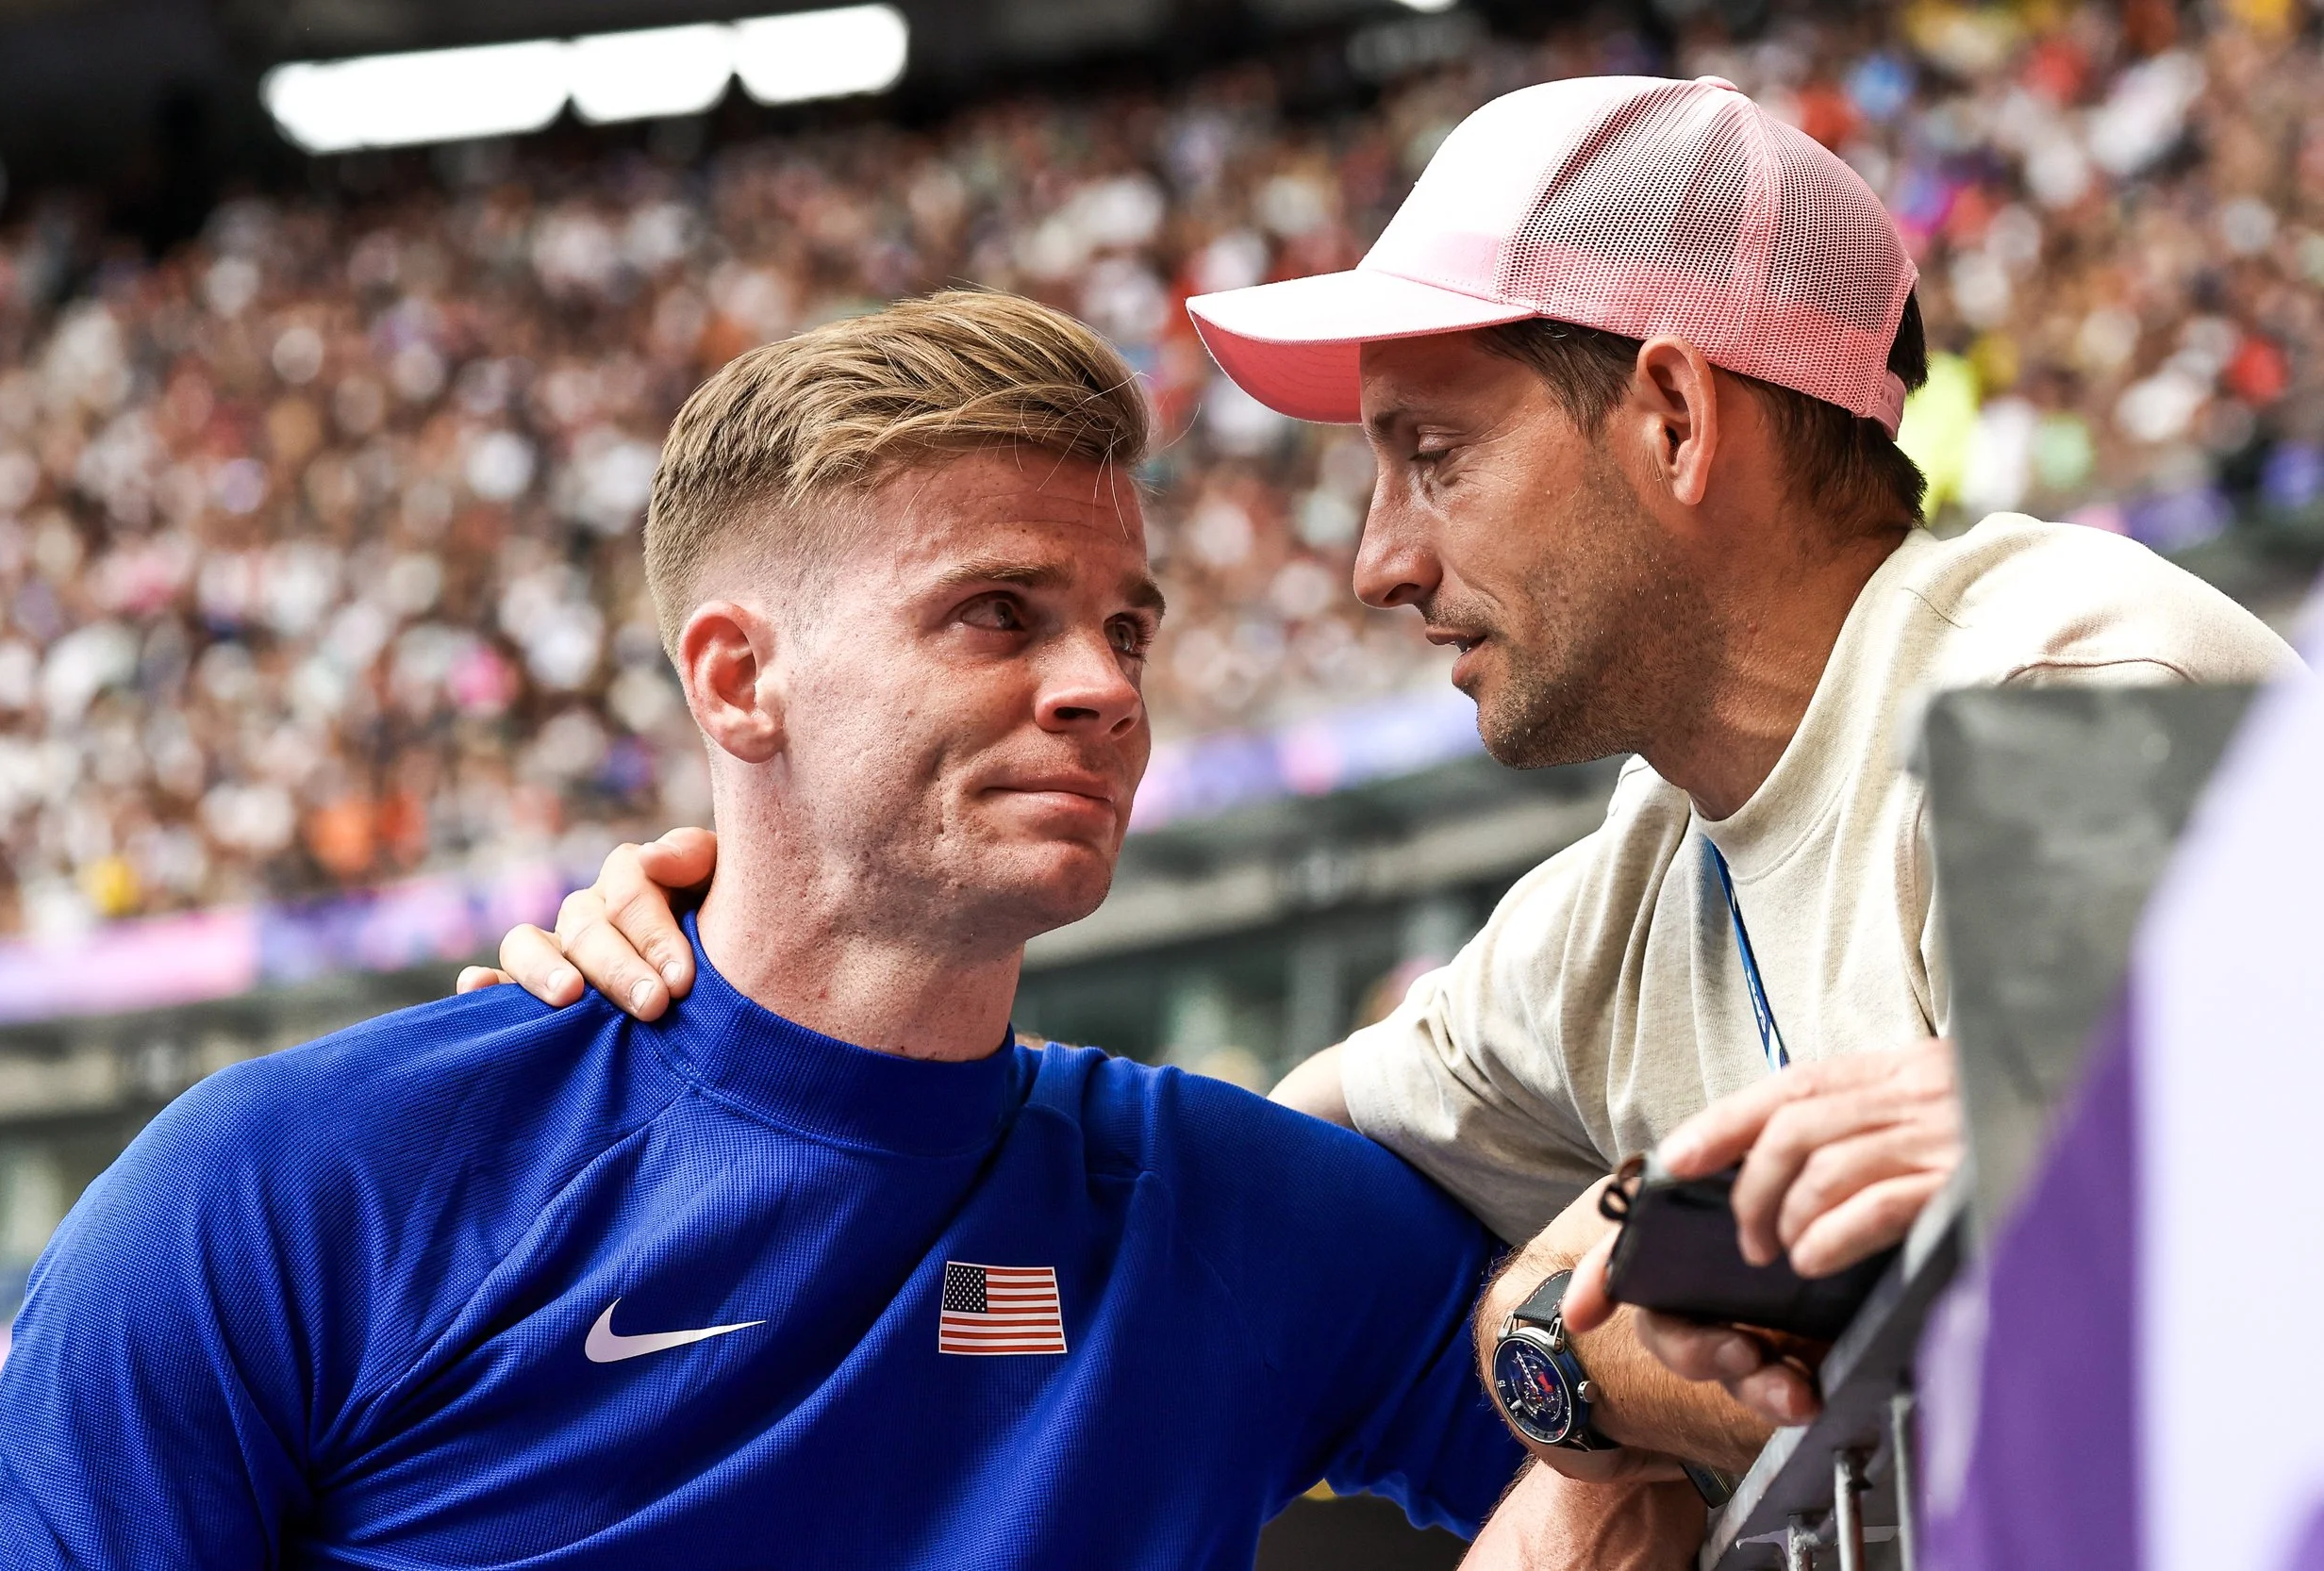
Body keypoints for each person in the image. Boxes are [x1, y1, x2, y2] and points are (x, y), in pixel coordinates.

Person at [488, 75, 2305, 1563]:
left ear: (1672, 414)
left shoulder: (2065, 672)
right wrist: (740, 949)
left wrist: (2088, 1112)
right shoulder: (1616, 912)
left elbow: (2198, 1294)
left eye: (1433, 456)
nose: (1377, 559)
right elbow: (1245, 1202)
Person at [0, 292, 1528, 1570]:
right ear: (736, 680)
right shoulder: (284, 1189)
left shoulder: (1226, 1209)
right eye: (1001, 611)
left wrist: (1603, 1453)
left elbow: (1688, 1426)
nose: (1105, 686)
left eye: (1126, 627)